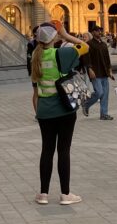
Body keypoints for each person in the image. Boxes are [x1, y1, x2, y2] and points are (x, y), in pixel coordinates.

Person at [30, 21, 89, 204]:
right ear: (53, 37)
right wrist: (66, 34)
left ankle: (43, 194)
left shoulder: (35, 56)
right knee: (63, 150)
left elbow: (35, 88)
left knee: (46, 150)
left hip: (44, 111)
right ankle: (65, 194)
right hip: (63, 110)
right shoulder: (60, 53)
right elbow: (85, 46)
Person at [82, 25, 114, 120]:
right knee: (99, 92)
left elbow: (107, 59)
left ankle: (104, 114)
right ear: (92, 32)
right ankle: (86, 104)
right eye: (97, 31)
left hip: (104, 72)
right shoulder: (89, 44)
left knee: (105, 94)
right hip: (95, 73)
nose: (99, 32)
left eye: (100, 30)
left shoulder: (103, 44)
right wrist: (89, 69)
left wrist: (110, 70)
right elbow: (86, 58)